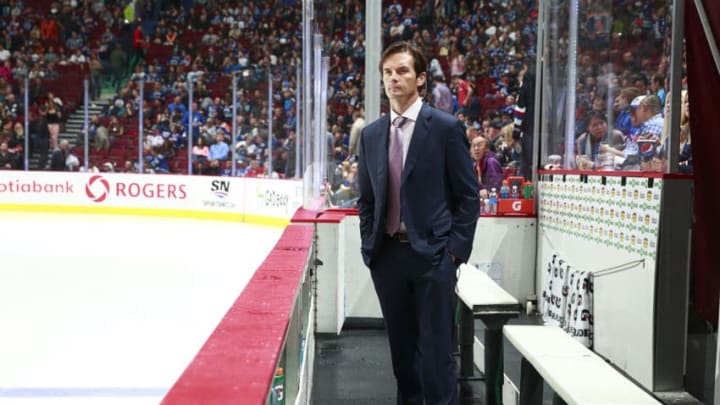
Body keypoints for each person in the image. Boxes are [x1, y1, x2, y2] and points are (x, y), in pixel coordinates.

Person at [357, 41, 479, 404]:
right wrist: (371, 250)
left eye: (403, 71)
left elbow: (468, 197)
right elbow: (366, 200)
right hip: (388, 257)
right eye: (388, 72)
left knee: (438, 355)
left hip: (434, 259)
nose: (394, 78)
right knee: (402, 356)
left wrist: (453, 253)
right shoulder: (372, 134)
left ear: (421, 78)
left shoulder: (444, 128)